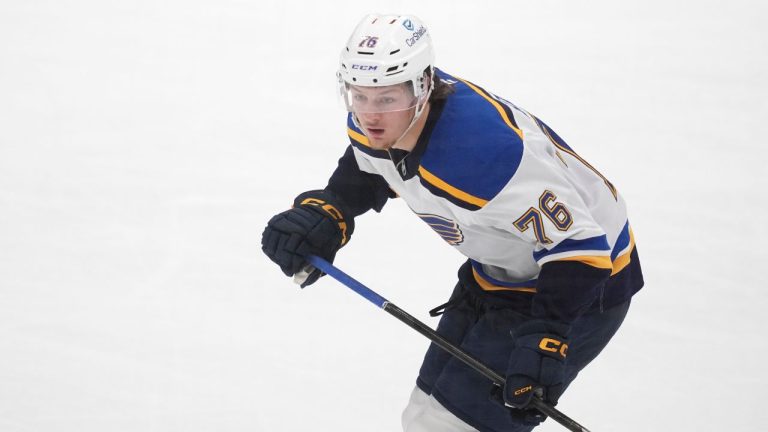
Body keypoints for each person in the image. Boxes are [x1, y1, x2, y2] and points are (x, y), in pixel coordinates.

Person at [261, 13, 644, 432]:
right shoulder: (383, 120)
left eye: (386, 98)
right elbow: (373, 167)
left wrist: (547, 337)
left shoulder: (485, 156)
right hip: (496, 276)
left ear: (422, 85)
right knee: (423, 418)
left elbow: (582, 247)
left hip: (579, 290)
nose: (369, 115)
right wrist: (330, 210)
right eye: (359, 95)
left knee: (446, 427)